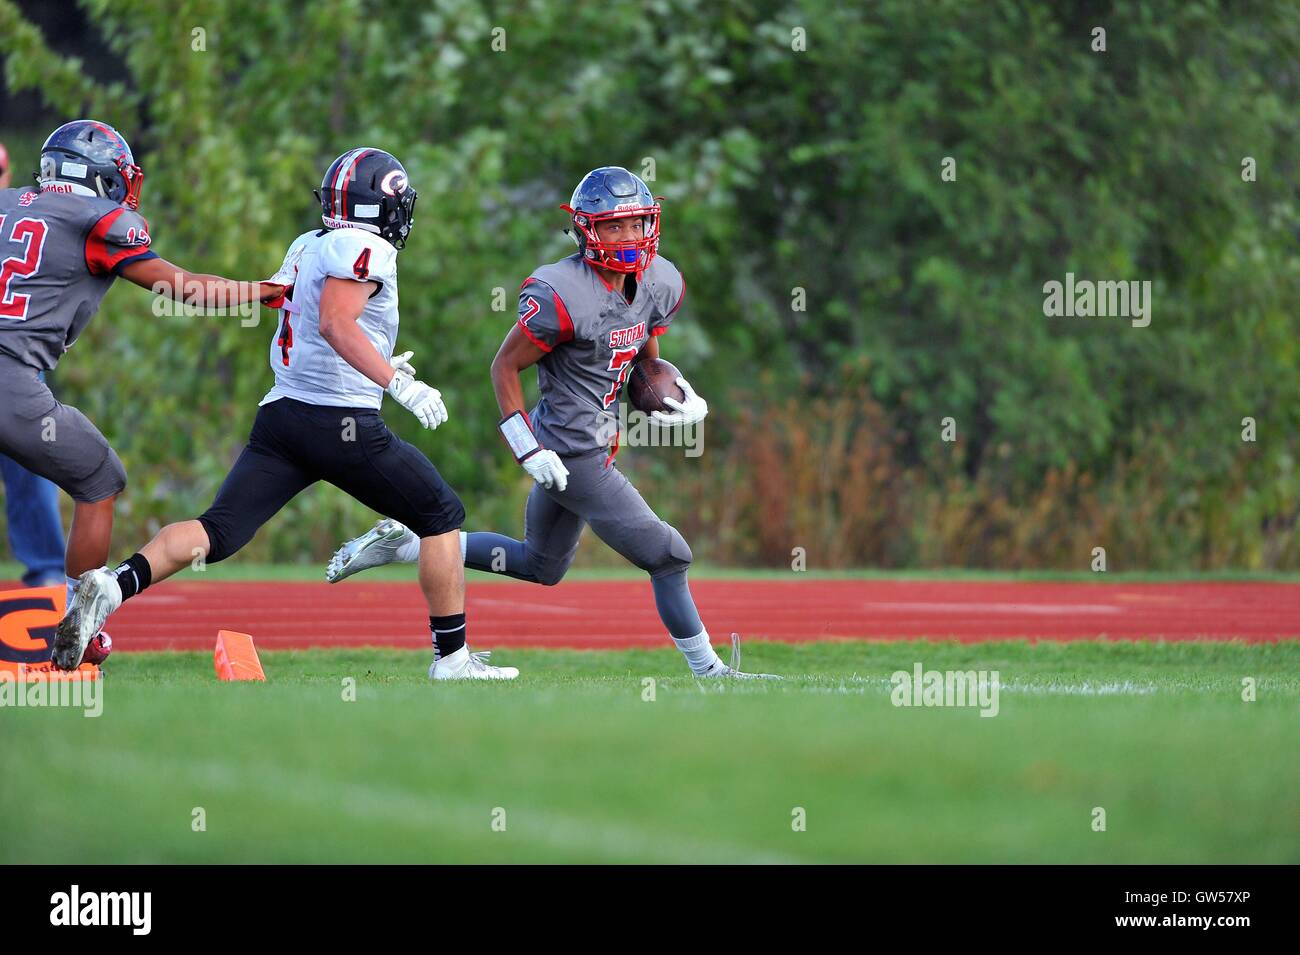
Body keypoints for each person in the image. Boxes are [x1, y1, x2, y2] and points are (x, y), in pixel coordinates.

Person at [55, 147, 514, 680]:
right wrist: (395, 386)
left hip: (283, 417)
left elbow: (315, 316)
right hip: (341, 423)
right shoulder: (366, 247)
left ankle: (109, 587)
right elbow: (335, 324)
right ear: (380, 207)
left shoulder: (309, 243)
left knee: (216, 531)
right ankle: (451, 659)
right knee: (440, 516)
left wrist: (384, 362)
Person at [327, 166, 775, 679]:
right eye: (614, 226)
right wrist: (527, 449)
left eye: (636, 224)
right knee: (670, 554)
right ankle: (711, 673)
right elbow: (504, 367)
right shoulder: (562, 292)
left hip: (593, 442)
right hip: (569, 452)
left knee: (541, 566)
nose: (628, 237)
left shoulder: (660, 281)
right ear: (587, 230)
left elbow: (642, 358)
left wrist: (675, 392)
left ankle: (409, 543)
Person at [0, 119, 283, 639]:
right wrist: (258, 290)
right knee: (99, 478)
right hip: (10, 381)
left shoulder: (9, 202)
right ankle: (77, 621)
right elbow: (184, 288)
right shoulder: (98, 219)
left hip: (15, 377)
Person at [0, 138, 66, 588]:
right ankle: (45, 573)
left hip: (16, 358)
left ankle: (46, 573)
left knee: (32, 464)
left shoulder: (26, 213)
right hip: (19, 359)